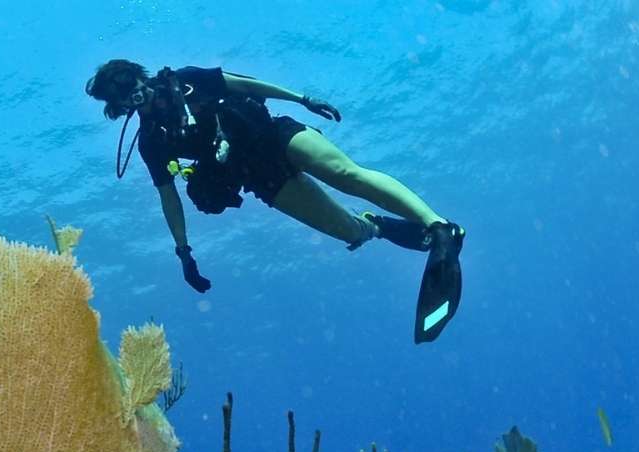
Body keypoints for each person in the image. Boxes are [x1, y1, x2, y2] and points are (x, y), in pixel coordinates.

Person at [85, 60, 465, 343]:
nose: (129, 90)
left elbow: (246, 85)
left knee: (346, 174)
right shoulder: (153, 142)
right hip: (259, 178)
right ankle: (377, 225)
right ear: (117, 107)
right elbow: (169, 198)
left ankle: (439, 228)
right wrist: (183, 252)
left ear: (137, 72)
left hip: (275, 135)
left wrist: (303, 100)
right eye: (117, 93)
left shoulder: (187, 79)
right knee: (349, 231)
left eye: (125, 79)